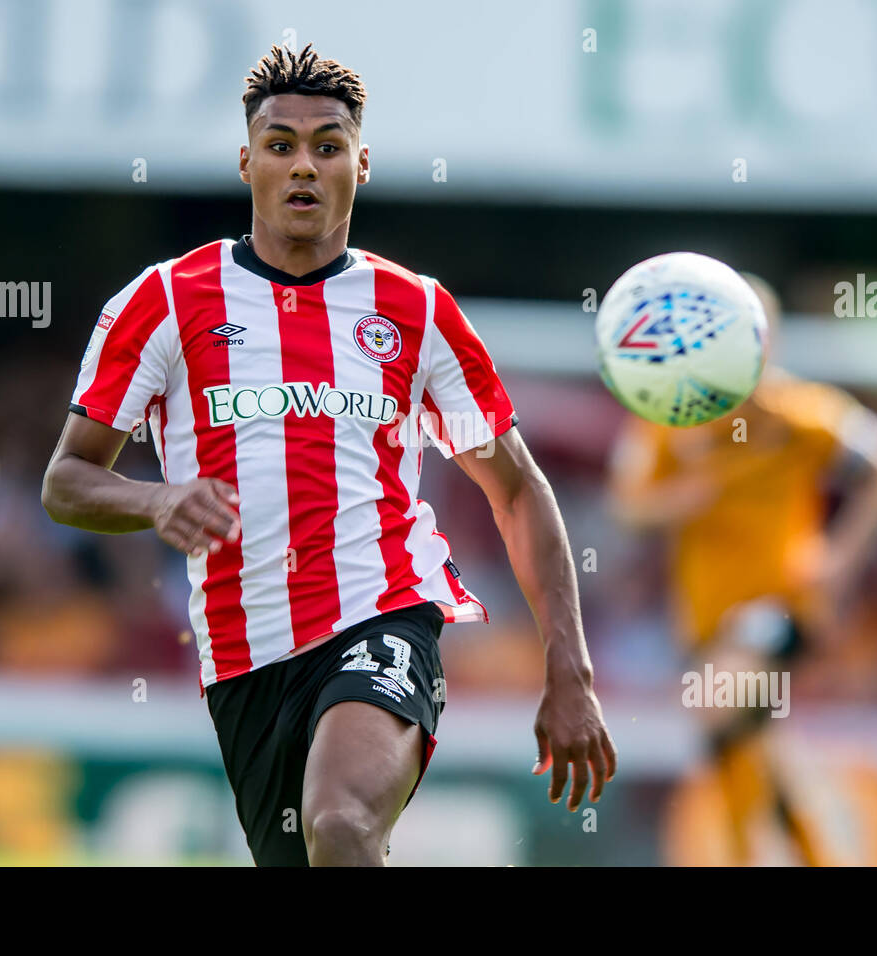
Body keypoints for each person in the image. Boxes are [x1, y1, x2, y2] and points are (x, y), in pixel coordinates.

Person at [41, 43, 616, 866]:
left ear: (362, 162)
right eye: (280, 145)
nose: (303, 166)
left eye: (327, 145)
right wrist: (156, 500)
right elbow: (65, 482)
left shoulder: (413, 309)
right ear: (247, 162)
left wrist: (572, 671)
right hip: (246, 655)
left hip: (383, 611)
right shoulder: (165, 301)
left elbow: (517, 490)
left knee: (342, 824)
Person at [606, 274, 877, 864]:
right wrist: (679, 499)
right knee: (739, 746)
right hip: (703, 619)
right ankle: (812, 855)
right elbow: (627, 505)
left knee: (719, 705)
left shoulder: (801, 413)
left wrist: (841, 559)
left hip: (782, 606)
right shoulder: (674, 413)